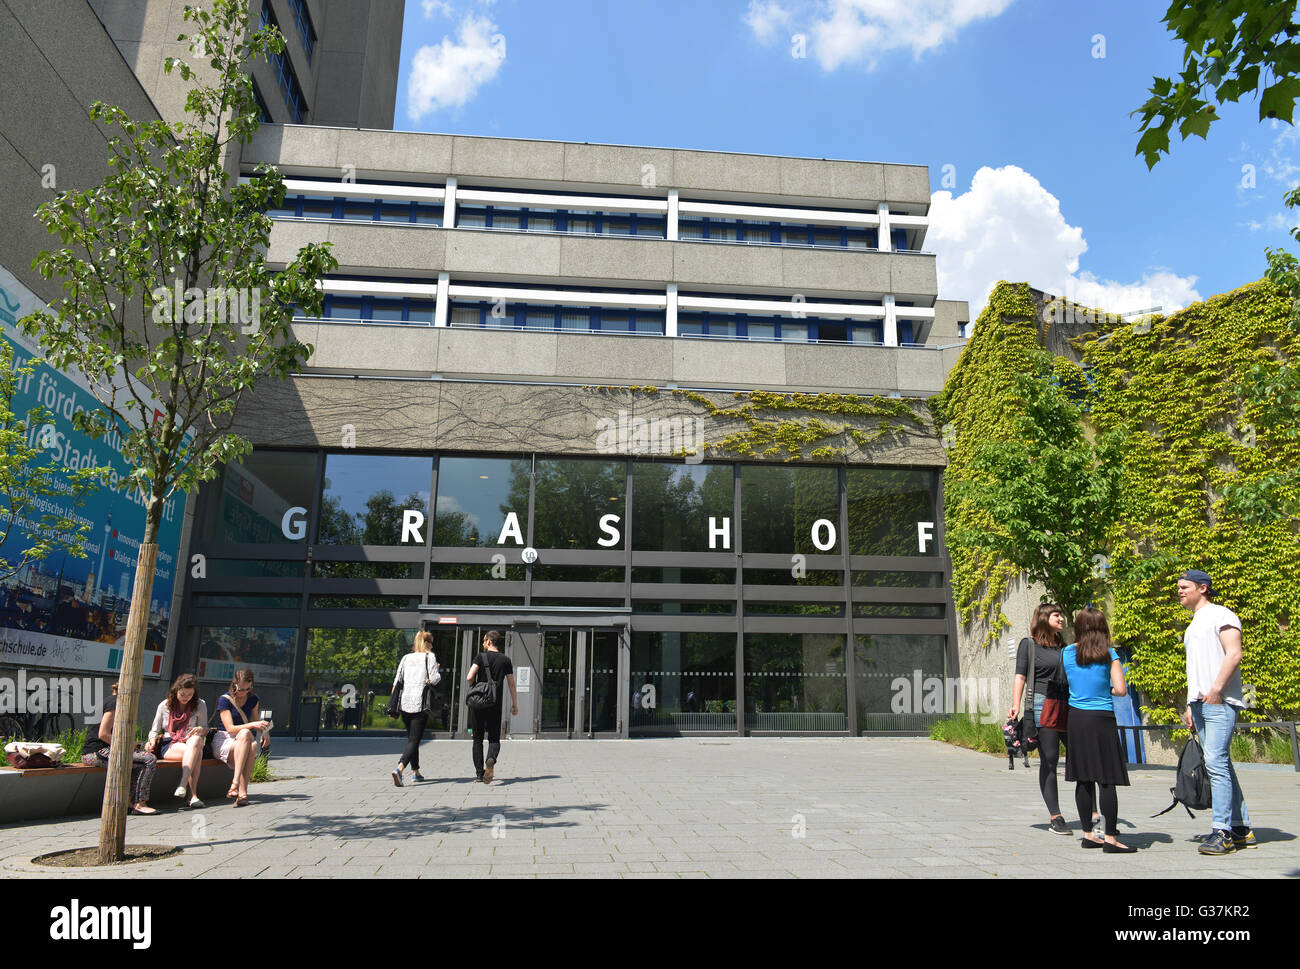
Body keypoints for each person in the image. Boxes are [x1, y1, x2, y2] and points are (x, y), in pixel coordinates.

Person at [1177, 569, 1255, 855]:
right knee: (1221, 764)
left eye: (1185, 587)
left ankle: (1221, 832)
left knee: (1216, 763)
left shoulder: (1222, 615)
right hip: (1201, 702)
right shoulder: (1194, 624)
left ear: (1203, 588)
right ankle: (1241, 828)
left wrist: (1217, 690)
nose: (1180, 591)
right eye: (1179, 588)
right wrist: (1190, 703)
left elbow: (1234, 653)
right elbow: (1198, 668)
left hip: (1219, 702)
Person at [1062, 607, 1134, 853]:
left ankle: (1088, 835)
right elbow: (1121, 690)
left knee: (1083, 779)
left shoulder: (1067, 653)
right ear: (1103, 628)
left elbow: (1066, 683)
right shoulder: (1109, 654)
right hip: (1102, 718)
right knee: (1107, 780)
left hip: (1077, 718)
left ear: (1079, 627)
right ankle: (1111, 838)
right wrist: (1107, 691)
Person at [1008, 602, 1083, 835]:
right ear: (1043, 618)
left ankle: (1091, 814)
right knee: (1049, 759)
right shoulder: (1028, 645)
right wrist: (1015, 705)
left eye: (1061, 615)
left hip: (1067, 704)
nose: (1061, 619)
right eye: (1056, 615)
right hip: (1042, 705)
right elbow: (1020, 676)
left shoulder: (1064, 646)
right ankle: (1056, 816)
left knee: (1080, 757)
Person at [82, 681, 157, 815]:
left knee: (139, 761)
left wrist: (132, 745)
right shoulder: (115, 703)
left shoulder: (115, 701)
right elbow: (103, 734)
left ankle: (128, 802)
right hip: (96, 752)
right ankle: (139, 803)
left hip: (105, 750)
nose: (139, 692)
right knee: (148, 759)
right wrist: (128, 745)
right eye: (137, 689)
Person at [145, 673, 209, 808]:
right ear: (176, 691)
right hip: (170, 743)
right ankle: (191, 794)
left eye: (189, 694)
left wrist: (200, 729)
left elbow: (205, 728)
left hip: (190, 740)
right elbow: (154, 730)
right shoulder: (164, 705)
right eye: (182, 694)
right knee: (197, 753)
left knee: (196, 741)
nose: (186, 697)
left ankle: (183, 785)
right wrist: (151, 740)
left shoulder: (200, 704)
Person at [210, 669, 270, 807]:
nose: (243, 692)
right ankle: (236, 783)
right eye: (241, 689)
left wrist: (265, 732)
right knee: (246, 735)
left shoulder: (253, 699)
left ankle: (242, 793)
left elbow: (256, 723)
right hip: (225, 739)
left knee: (252, 742)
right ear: (234, 684)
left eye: (247, 689)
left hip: (243, 740)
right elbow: (230, 728)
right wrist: (252, 725)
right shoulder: (225, 700)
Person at [465, 629, 518, 784]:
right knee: (494, 737)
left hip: (478, 703)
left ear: (488, 641)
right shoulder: (505, 660)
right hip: (495, 703)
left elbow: (469, 677)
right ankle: (491, 759)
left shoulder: (480, 657)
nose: (483, 644)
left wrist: (474, 685)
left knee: (477, 739)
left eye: (483, 641)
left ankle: (480, 774)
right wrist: (515, 704)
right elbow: (511, 684)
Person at [391, 630, 441, 787]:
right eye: (431, 642)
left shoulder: (406, 658)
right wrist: (437, 670)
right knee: (415, 739)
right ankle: (399, 768)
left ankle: (416, 772)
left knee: (412, 739)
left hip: (405, 702)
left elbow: (397, 681)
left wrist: (392, 703)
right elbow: (434, 679)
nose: (432, 645)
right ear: (425, 643)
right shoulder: (429, 657)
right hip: (420, 702)